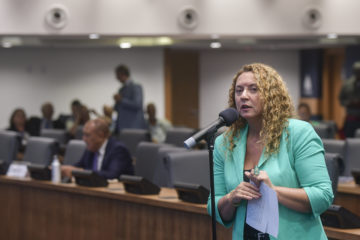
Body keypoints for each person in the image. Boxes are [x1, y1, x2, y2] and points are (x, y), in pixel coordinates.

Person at [208, 63, 333, 240]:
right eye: (239, 90)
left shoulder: (298, 133)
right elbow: (215, 206)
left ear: (272, 95)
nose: (244, 96)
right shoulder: (224, 143)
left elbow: (323, 196)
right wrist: (231, 198)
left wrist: (273, 191)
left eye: (253, 89)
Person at [61, 118, 134, 180]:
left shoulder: (118, 149)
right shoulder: (91, 148)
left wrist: (82, 172)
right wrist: (65, 169)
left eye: (87, 135)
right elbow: (79, 166)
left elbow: (112, 175)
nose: (84, 139)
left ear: (100, 135)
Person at [113, 64, 146, 134]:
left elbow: (138, 105)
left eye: (117, 75)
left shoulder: (136, 87)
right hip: (121, 127)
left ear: (122, 74)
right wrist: (114, 106)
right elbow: (119, 108)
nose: (116, 78)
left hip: (134, 127)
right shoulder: (121, 89)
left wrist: (121, 100)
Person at [339, 61, 360, 138]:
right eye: (357, 71)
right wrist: (349, 103)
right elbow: (341, 100)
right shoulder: (347, 84)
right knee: (349, 140)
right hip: (351, 119)